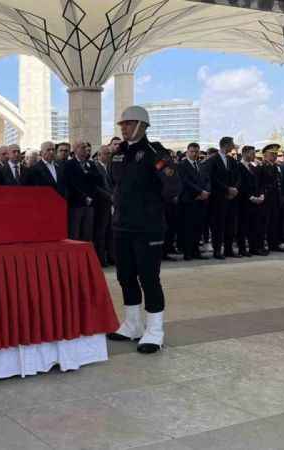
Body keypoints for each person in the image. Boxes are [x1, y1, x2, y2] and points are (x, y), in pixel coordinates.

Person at [106, 105, 180, 354]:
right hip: (122, 226)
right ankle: (133, 324)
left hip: (147, 228)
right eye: (122, 124)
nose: (123, 128)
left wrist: (151, 207)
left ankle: (155, 331)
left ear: (142, 125)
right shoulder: (119, 153)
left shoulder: (154, 152)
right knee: (125, 276)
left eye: (128, 123)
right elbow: (114, 184)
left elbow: (172, 185)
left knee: (149, 278)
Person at [207, 137, 242, 259]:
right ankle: (217, 250)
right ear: (225, 145)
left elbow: (238, 176)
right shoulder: (212, 160)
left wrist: (235, 188)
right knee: (218, 226)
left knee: (230, 225)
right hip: (218, 198)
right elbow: (212, 179)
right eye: (232, 144)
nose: (233, 147)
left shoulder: (231, 160)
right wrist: (227, 189)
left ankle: (229, 249)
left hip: (232, 197)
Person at [177, 143, 211, 260]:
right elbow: (185, 182)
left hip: (201, 200)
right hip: (189, 200)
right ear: (187, 152)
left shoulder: (201, 165)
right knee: (188, 228)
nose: (195, 154)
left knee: (198, 227)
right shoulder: (182, 165)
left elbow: (207, 180)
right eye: (192, 151)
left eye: (196, 151)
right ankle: (188, 252)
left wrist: (206, 191)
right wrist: (199, 192)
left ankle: (196, 251)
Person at [64, 140, 99, 241]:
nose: (86, 150)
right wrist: (84, 197)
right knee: (75, 234)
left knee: (88, 234)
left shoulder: (90, 164)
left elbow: (97, 180)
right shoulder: (69, 165)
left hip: (90, 204)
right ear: (75, 150)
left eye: (86, 148)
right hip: (76, 204)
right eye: (82, 147)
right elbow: (70, 184)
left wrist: (91, 197)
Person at [236, 146, 264, 257]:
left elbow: (259, 183)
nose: (254, 156)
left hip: (256, 201)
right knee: (243, 227)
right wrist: (250, 197)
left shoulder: (254, 166)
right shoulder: (238, 166)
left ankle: (254, 248)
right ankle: (242, 249)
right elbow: (240, 184)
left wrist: (261, 195)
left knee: (254, 226)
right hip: (244, 201)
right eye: (252, 153)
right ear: (245, 153)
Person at [258, 145, 284, 252]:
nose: (275, 156)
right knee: (264, 223)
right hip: (266, 198)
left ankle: (273, 244)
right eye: (272, 154)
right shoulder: (262, 166)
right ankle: (262, 245)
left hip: (276, 198)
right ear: (265, 154)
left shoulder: (276, 167)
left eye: (276, 154)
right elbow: (260, 183)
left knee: (274, 222)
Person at [92, 145, 115, 266]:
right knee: (101, 232)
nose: (108, 156)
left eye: (109, 154)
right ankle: (101, 259)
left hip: (112, 203)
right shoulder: (95, 167)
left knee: (111, 231)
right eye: (106, 154)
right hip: (101, 204)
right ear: (99, 155)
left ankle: (112, 257)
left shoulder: (110, 167)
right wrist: (109, 196)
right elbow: (97, 187)